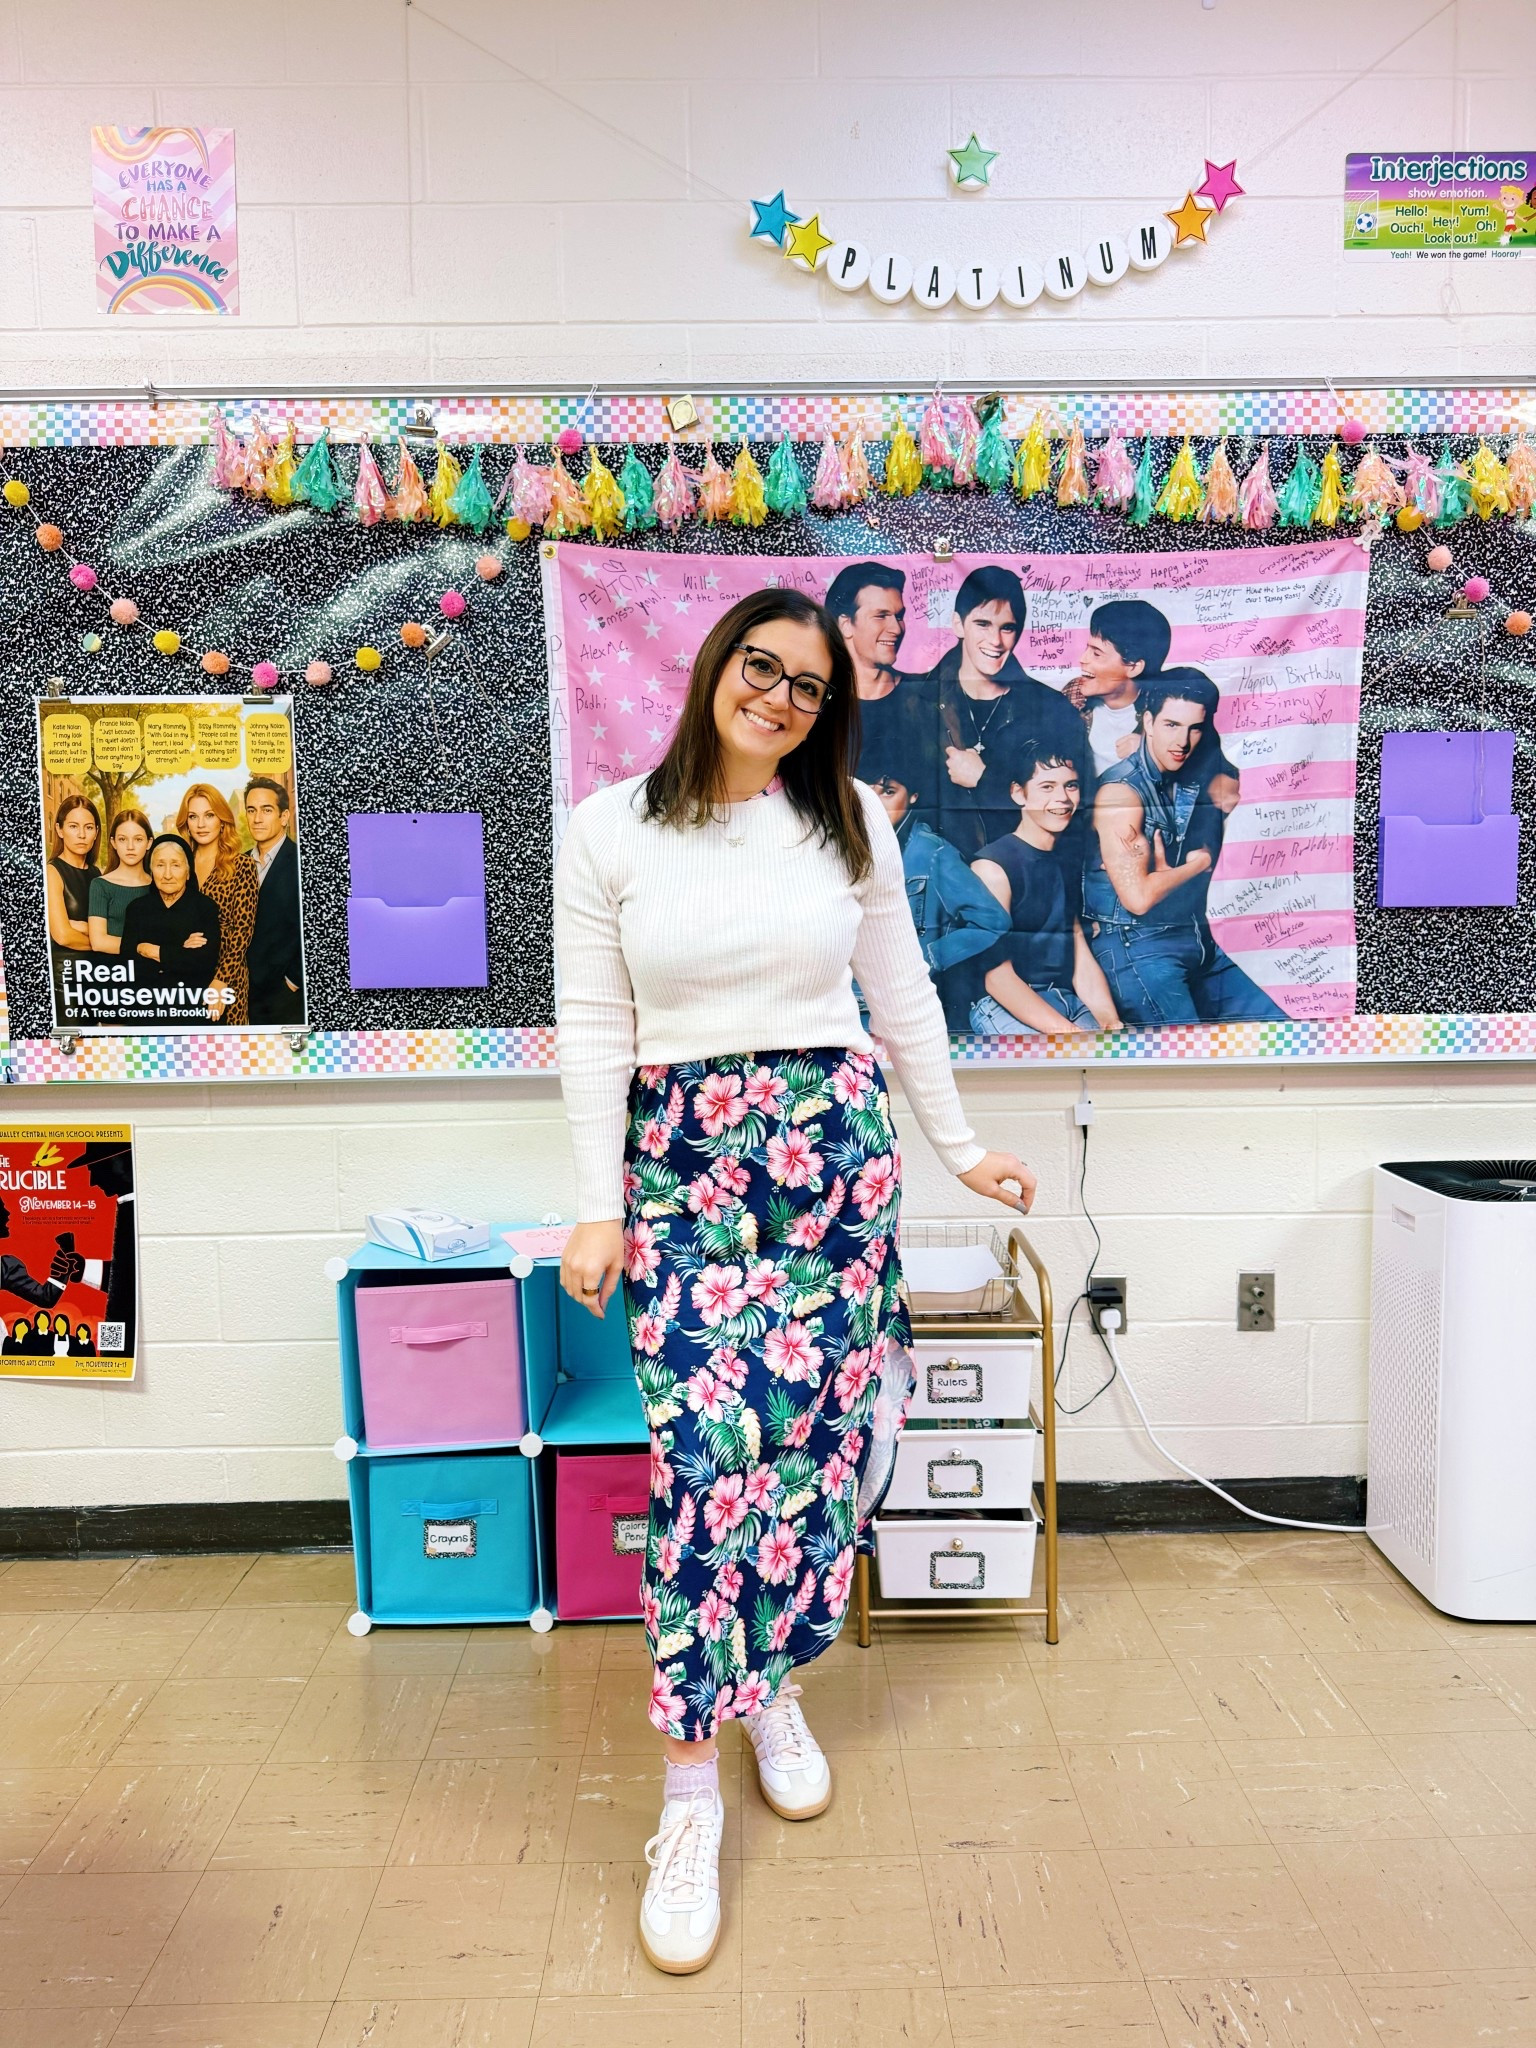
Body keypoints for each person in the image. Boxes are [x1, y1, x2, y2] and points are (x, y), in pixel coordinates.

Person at [554, 587, 1035, 1975]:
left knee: (819, 1461)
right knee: (710, 1463)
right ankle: (690, 1792)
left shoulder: (850, 825)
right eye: (759, 667)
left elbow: (907, 998)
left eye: (808, 686)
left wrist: (959, 1146)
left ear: (830, 710)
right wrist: (598, 1209)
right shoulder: (610, 830)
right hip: (684, 1169)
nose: (777, 694)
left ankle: (769, 1689)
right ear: (715, 668)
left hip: (830, 1161)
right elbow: (596, 1025)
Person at [1083, 668, 1286, 1025]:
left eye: (1194, 728)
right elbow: (1139, 898)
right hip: (1138, 948)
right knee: (1191, 1063)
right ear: (1147, 721)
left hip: (1194, 935)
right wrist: (1197, 864)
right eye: (1172, 725)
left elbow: (1229, 788)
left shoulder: (1190, 774)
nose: (1183, 741)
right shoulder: (1120, 794)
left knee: (1285, 1036)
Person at [909, 565, 1088, 854]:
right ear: (958, 624)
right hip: (939, 879)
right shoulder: (917, 701)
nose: (996, 641)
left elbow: (1071, 808)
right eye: (983, 624)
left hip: (1022, 877)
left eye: (1007, 628)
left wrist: (985, 779)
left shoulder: (1051, 709)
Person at [969, 743, 1121, 1035]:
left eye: (1070, 786)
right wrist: (1068, 1036)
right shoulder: (992, 868)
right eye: (1047, 787)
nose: (1062, 798)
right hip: (1001, 1002)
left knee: (1114, 1060)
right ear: (1018, 793)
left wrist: (1108, 1021)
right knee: (1071, 1063)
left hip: (1062, 999)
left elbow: (1077, 948)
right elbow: (997, 978)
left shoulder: (1064, 857)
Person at [860, 751, 1009, 1031]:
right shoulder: (837, 843)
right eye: (866, 793)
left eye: (888, 792)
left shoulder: (932, 852)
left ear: (913, 796)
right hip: (846, 1005)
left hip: (903, 1008)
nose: (873, 804)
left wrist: (928, 957)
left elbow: (993, 922)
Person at [824, 561, 926, 790]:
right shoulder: (816, 701)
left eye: (899, 616)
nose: (897, 629)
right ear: (846, 625)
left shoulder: (927, 694)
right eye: (881, 616)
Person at [120, 835, 224, 1026]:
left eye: (175, 865)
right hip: (148, 1009)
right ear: (151, 870)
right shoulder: (137, 908)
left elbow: (203, 962)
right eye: (160, 865)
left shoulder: (205, 908)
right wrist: (181, 949)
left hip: (193, 1009)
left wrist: (151, 950)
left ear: (187, 871)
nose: (167, 874)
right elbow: (128, 962)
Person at [177, 784, 259, 1024]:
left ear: (222, 820)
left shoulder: (242, 866)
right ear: (186, 823)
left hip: (227, 975)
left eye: (209, 815)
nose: (201, 824)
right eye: (193, 816)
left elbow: (243, 930)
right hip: (184, 971)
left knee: (229, 1053)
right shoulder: (180, 865)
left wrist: (221, 980)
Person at [50, 1136, 136, 1361]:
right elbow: (129, 1278)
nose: (92, 1181)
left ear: (121, 1160)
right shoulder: (128, 1206)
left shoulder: (140, 1209)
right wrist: (84, 1269)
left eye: (96, 1167)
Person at [1069, 599, 1172, 775]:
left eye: (1096, 653)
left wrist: (1152, 753)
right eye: (1087, 648)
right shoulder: (1072, 696)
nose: (1083, 658)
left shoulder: (1170, 708)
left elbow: (1223, 783)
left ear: (1133, 667)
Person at [244, 777, 304, 1026]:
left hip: (284, 997)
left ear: (284, 816)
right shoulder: (241, 863)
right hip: (242, 993)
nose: (257, 818)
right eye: (251, 810)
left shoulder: (301, 863)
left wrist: (293, 980)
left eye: (266, 810)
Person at [46, 794, 102, 1022]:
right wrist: (100, 939)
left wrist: (82, 926)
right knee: (71, 1050)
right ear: (59, 830)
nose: (81, 834)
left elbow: (114, 929)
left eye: (88, 827)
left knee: (95, 1051)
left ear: (96, 832)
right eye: (73, 826)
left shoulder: (97, 874)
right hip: (65, 978)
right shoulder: (52, 872)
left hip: (97, 975)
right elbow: (62, 935)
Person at [87, 808, 154, 957]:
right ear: (114, 842)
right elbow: (98, 942)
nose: (130, 847)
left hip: (154, 975)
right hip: (114, 972)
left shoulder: (158, 885)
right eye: (123, 839)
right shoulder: (100, 885)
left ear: (149, 842)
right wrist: (145, 949)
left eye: (138, 839)